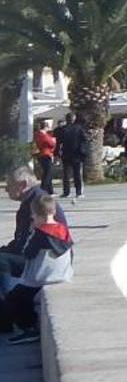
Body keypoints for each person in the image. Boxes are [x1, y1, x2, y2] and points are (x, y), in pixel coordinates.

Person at [1, 191, 74, 343]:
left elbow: (27, 253)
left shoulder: (39, 233)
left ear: (38, 216)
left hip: (40, 279)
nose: (32, 218)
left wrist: (30, 231)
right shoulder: (63, 230)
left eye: (33, 215)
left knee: (14, 296)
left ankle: (28, 327)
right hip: (61, 275)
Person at [55, 113, 87, 199]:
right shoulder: (79, 128)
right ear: (74, 119)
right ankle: (78, 192)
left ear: (66, 119)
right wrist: (83, 152)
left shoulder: (62, 130)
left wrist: (56, 154)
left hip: (66, 154)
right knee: (77, 174)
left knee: (66, 174)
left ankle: (66, 192)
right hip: (76, 154)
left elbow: (58, 143)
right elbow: (84, 141)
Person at [31, 121, 56, 193]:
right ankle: (43, 188)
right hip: (46, 154)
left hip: (41, 154)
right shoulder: (43, 134)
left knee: (47, 172)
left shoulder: (37, 134)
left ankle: (50, 190)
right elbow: (50, 143)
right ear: (46, 127)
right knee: (48, 172)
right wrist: (53, 141)